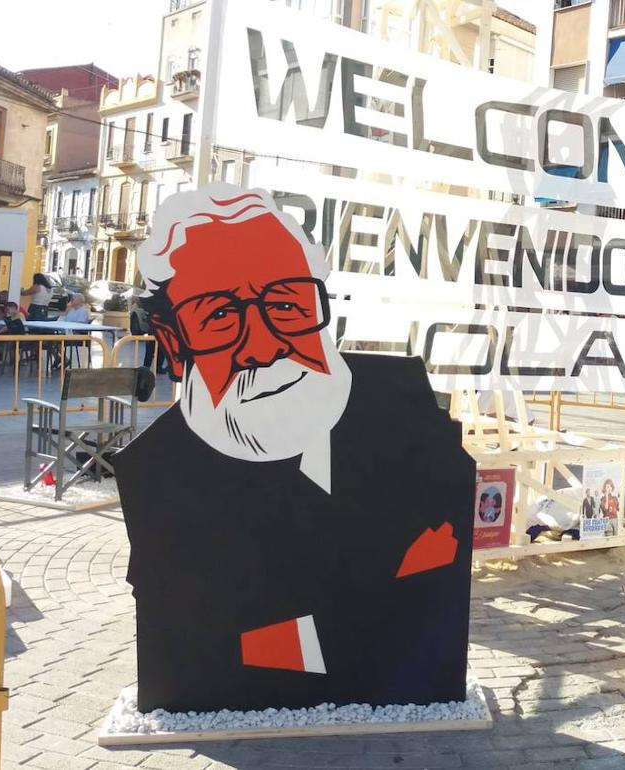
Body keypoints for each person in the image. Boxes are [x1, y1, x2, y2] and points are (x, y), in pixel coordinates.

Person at [111, 184, 476, 714]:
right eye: (218, 317)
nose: (263, 345)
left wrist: (299, 623)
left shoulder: (404, 404)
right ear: (173, 341)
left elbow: (436, 589)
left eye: (285, 303)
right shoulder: (158, 477)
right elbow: (211, 647)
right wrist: (391, 581)